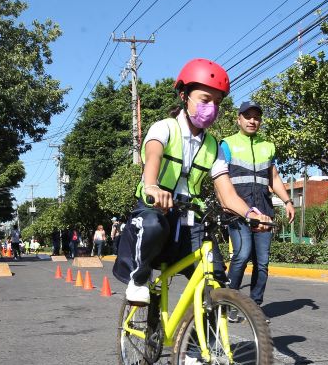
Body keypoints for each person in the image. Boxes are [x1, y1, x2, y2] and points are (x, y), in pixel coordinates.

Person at [112, 58, 271, 304]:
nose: (212, 107)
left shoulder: (213, 146)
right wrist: (152, 186)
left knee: (217, 279)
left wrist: (251, 214)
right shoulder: (163, 128)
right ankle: (138, 279)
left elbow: (227, 194)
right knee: (152, 224)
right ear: (184, 96)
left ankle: (199, 342)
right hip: (156, 209)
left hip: (191, 219)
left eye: (217, 102)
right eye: (205, 100)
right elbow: (153, 156)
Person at [222, 101, 295, 308]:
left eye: (256, 117)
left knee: (262, 263)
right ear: (239, 119)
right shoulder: (227, 144)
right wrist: (224, 202)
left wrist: (288, 201)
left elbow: (273, 176)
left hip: (263, 212)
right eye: (248, 116)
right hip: (237, 212)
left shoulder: (267, 146)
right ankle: (230, 303)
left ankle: (254, 307)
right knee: (242, 256)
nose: (252, 121)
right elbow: (220, 178)